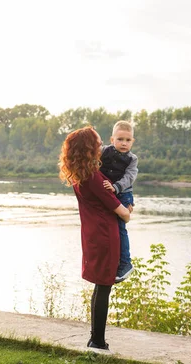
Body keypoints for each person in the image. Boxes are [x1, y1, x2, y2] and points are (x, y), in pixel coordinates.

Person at [59, 126, 131, 350]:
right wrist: (128, 208)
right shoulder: (95, 179)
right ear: (89, 149)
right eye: (98, 144)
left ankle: (95, 338)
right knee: (103, 287)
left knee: (100, 287)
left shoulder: (80, 176)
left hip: (92, 233)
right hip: (105, 236)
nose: (102, 147)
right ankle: (97, 341)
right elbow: (124, 214)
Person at [99, 121, 138, 283]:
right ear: (112, 139)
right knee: (108, 225)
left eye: (128, 140)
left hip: (123, 194)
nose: (124, 143)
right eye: (120, 139)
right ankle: (109, 260)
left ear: (132, 142)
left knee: (120, 227)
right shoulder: (103, 151)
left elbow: (130, 177)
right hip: (110, 191)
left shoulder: (132, 159)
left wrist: (115, 187)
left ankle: (126, 263)